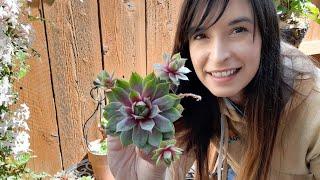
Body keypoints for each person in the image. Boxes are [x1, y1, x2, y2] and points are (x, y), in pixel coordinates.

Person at [107, 0, 320, 179]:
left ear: (267, 36)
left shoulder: (313, 110)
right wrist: (149, 174)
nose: (217, 57)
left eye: (238, 30)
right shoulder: (191, 93)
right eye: (200, 34)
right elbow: (171, 167)